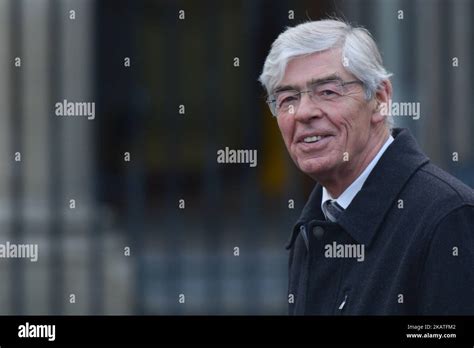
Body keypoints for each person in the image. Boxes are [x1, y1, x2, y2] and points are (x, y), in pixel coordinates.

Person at [259, 19, 474, 315]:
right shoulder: (314, 226)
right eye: (287, 99)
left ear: (381, 100)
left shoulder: (446, 216)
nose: (304, 112)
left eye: (328, 92)